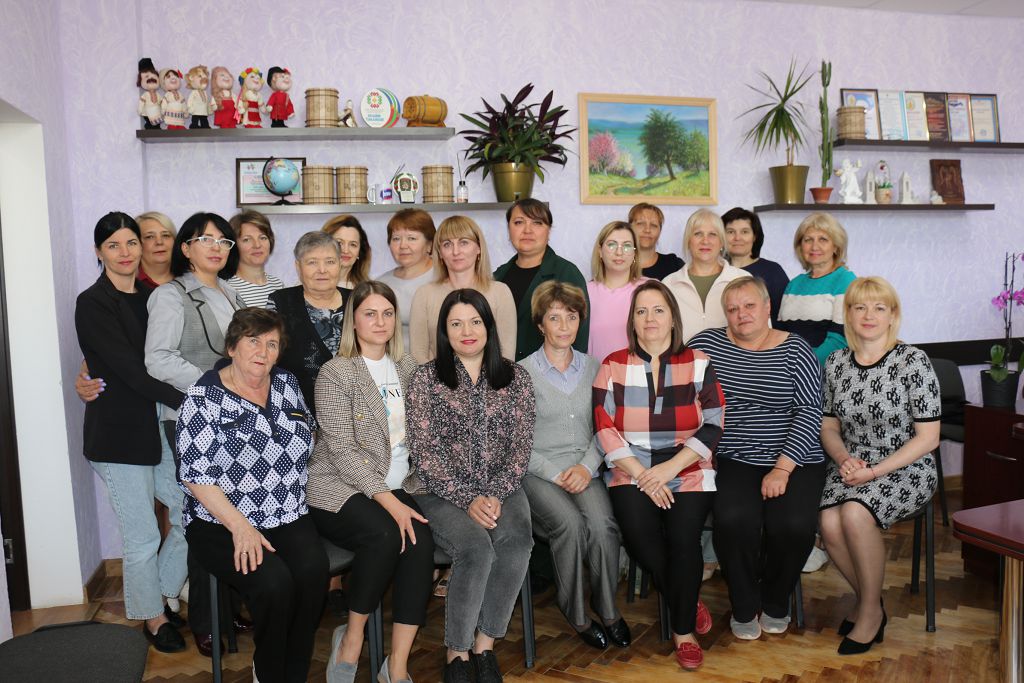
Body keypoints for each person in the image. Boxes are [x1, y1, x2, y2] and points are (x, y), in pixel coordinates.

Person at [177, 308, 328, 682]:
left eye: (272, 344)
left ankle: (293, 671)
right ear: (232, 347)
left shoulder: (287, 384)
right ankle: (269, 671)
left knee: (312, 575)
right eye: (254, 340)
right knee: (274, 585)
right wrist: (240, 527)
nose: (263, 351)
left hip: (287, 512)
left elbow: (308, 436)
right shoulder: (203, 398)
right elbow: (196, 476)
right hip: (221, 521)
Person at [592, 280, 724, 671]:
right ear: (632, 321)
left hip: (688, 466)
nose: (650, 318)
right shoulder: (613, 364)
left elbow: (714, 422)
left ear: (672, 318)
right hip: (631, 466)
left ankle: (683, 632)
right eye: (641, 311)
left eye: (658, 310)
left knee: (684, 538)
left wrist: (669, 468)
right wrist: (642, 473)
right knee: (639, 537)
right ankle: (688, 599)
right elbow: (603, 426)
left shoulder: (698, 361)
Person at [307, 281, 434, 683]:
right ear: (354, 321)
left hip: (398, 484)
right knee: (385, 535)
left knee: (419, 542)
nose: (380, 322)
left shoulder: (408, 368)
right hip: (339, 486)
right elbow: (342, 451)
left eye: (387, 313)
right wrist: (390, 502)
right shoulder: (336, 372)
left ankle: (396, 665)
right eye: (370, 314)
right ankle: (352, 638)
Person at [407, 289, 536, 683]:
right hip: (439, 491)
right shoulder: (426, 379)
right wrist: (468, 499)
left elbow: (521, 448)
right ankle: (457, 652)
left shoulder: (516, 378)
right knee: (475, 549)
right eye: (456, 323)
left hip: (502, 487)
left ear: (488, 326)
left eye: (475, 321)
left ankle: (485, 644)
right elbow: (424, 453)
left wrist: (495, 493)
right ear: (444, 331)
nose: (467, 331)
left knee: (517, 542)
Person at [75, 212, 187, 652]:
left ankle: (159, 592)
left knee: (191, 511)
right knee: (142, 535)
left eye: (131, 243)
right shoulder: (93, 302)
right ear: (98, 252)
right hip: (117, 434)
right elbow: (131, 371)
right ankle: (154, 619)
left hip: (156, 423)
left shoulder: (153, 296)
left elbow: (167, 356)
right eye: (113, 245)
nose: (125, 253)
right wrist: (194, 399)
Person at [688, 277, 824, 640]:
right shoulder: (706, 345)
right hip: (735, 455)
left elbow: (810, 412)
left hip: (796, 456)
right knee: (733, 520)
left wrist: (782, 468)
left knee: (793, 526)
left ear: (767, 308)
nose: (741, 314)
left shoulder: (796, 349)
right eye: (732, 309)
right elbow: (679, 391)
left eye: (749, 306)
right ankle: (745, 604)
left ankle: (776, 600)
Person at [818, 276, 940, 655]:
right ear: (849, 315)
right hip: (852, 462)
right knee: (827, 521)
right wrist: (844, 458)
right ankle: (870, 600)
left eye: (879, 308)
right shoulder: (836, 363)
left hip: (907, 465)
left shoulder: (913, 361)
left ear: (892, 315)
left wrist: (873, 472)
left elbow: (929, 438)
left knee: (854, 514)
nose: (869, 315)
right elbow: (828, 426)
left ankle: (869, 612)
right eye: (860, 307)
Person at [144, 211, 246, 656]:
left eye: (224, 241)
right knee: (205, 516)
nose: (216, 247)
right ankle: (207, 621)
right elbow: (158, 358)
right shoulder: (171, 295)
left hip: (235, 417)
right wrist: (213, 385)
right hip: (191, 416)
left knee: (235, 512)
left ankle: (230, 607)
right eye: (206, 239)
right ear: (186, 248)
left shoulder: (232, 293)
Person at [519, 281, 629, 650]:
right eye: (554, 318)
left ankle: (608, 609)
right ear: (540, 325)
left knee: (603, 526)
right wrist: (555, 473)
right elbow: (516, 443)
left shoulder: (596, 367)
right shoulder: (520, 374)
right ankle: (577, 614)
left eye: (571, 316)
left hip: (585, 467)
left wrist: (586, 466)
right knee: (570, 525)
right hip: (539, 471)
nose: (564, 326)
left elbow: (606, 427)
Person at [409, 216, 516, 363]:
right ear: (440, 253)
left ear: (479, 248)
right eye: (447, 244)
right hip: (436, 377)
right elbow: (418, 354)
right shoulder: (424, 295)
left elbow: (506, 355)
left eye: (463, 242)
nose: (456, 251)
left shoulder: (500, 293)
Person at [493, 198, 590, 360]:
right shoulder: (498, 276)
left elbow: (579, 333)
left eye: (537, 223)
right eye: (519, 222)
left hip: (550, 371)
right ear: (509, 229)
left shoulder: (566, 273)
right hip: (503, 370)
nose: (527, 230)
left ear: (549, 231)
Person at [267, 231, 350, 415]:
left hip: (354, 411)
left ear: (340, 264)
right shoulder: (280, 302)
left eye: (330, 262)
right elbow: (267, 355)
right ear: (298, 267)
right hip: (296, 410)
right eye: (312, 262)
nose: (322, 270)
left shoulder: (358, 301)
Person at [776, 212, 857, 365]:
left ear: (836, 247)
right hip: (789, 369)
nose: (814, 246)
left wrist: (804, 366)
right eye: (808, 240)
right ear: (800, 246)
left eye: (823, 239)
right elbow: (779, 334)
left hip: (824, 370)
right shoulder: (793, 284)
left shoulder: (845, 280)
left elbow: (840, 339)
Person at [663, 209, 747, 342]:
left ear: (721, 242)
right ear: (688, 241)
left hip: (733, 356)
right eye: (698, 234)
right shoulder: (669, 284)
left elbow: (762, 332)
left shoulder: (743, 280)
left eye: (712, 234)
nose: (705, 241)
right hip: (682, 356)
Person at [586, 221, 648, 363]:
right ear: (600, 251)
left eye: (627, 246)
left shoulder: (650, 289)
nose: (619, 252)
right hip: (595, 374)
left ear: (634, 253)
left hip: (639, 375)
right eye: (612, 245)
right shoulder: (585, 292)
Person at [378, 208, 437, 350]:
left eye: (412, 238)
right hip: (392, 361)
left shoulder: (445, 278)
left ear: (429, 245)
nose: (403, 246)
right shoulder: (381, 284)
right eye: (396, 239)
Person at [721, 207, 790, 326]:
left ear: (754, 236)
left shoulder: (773, 271)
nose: (737, 238)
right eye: (730, 232)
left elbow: (784, 318)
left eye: (745, 232)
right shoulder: (717, 271)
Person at [226, 210, 284, 308]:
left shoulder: (278, 286)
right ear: (234, 245)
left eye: (262, 238)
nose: (257, 245)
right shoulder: (227, 290)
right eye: (247, 239)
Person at [629, 202, 683, 280]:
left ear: (660, 231)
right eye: (641, 224)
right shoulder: (618, 264)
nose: (647, 230)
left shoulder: (674, 264)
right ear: (629, 228)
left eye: (653, 225)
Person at [322, 214, 371, 288]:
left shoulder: (367, 290)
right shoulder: (308, 286)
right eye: (339, 243)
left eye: (353, 244)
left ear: (360, 252)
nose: (346, 250)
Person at [137, 211, 177, 288]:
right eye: (150, 237)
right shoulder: (128, 283)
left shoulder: (192, 279)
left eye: (165, 235)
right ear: (137, 244)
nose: (159, 242)